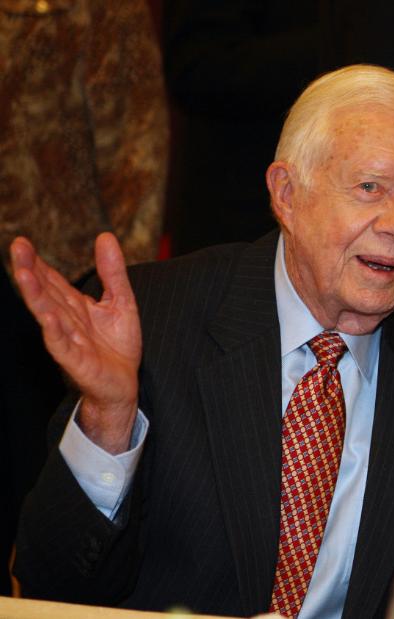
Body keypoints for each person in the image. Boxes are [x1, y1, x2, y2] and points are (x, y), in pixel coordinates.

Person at [11, 65, 394, 619]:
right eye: (370, 187)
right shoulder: (152, 326)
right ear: (287, 193)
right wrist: (109, 417)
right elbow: (50, 585)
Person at [0, 0, 168, 594]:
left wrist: (132, 283)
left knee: (44, 472)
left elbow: (135, 142)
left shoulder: (106, 11)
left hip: (72, 281)